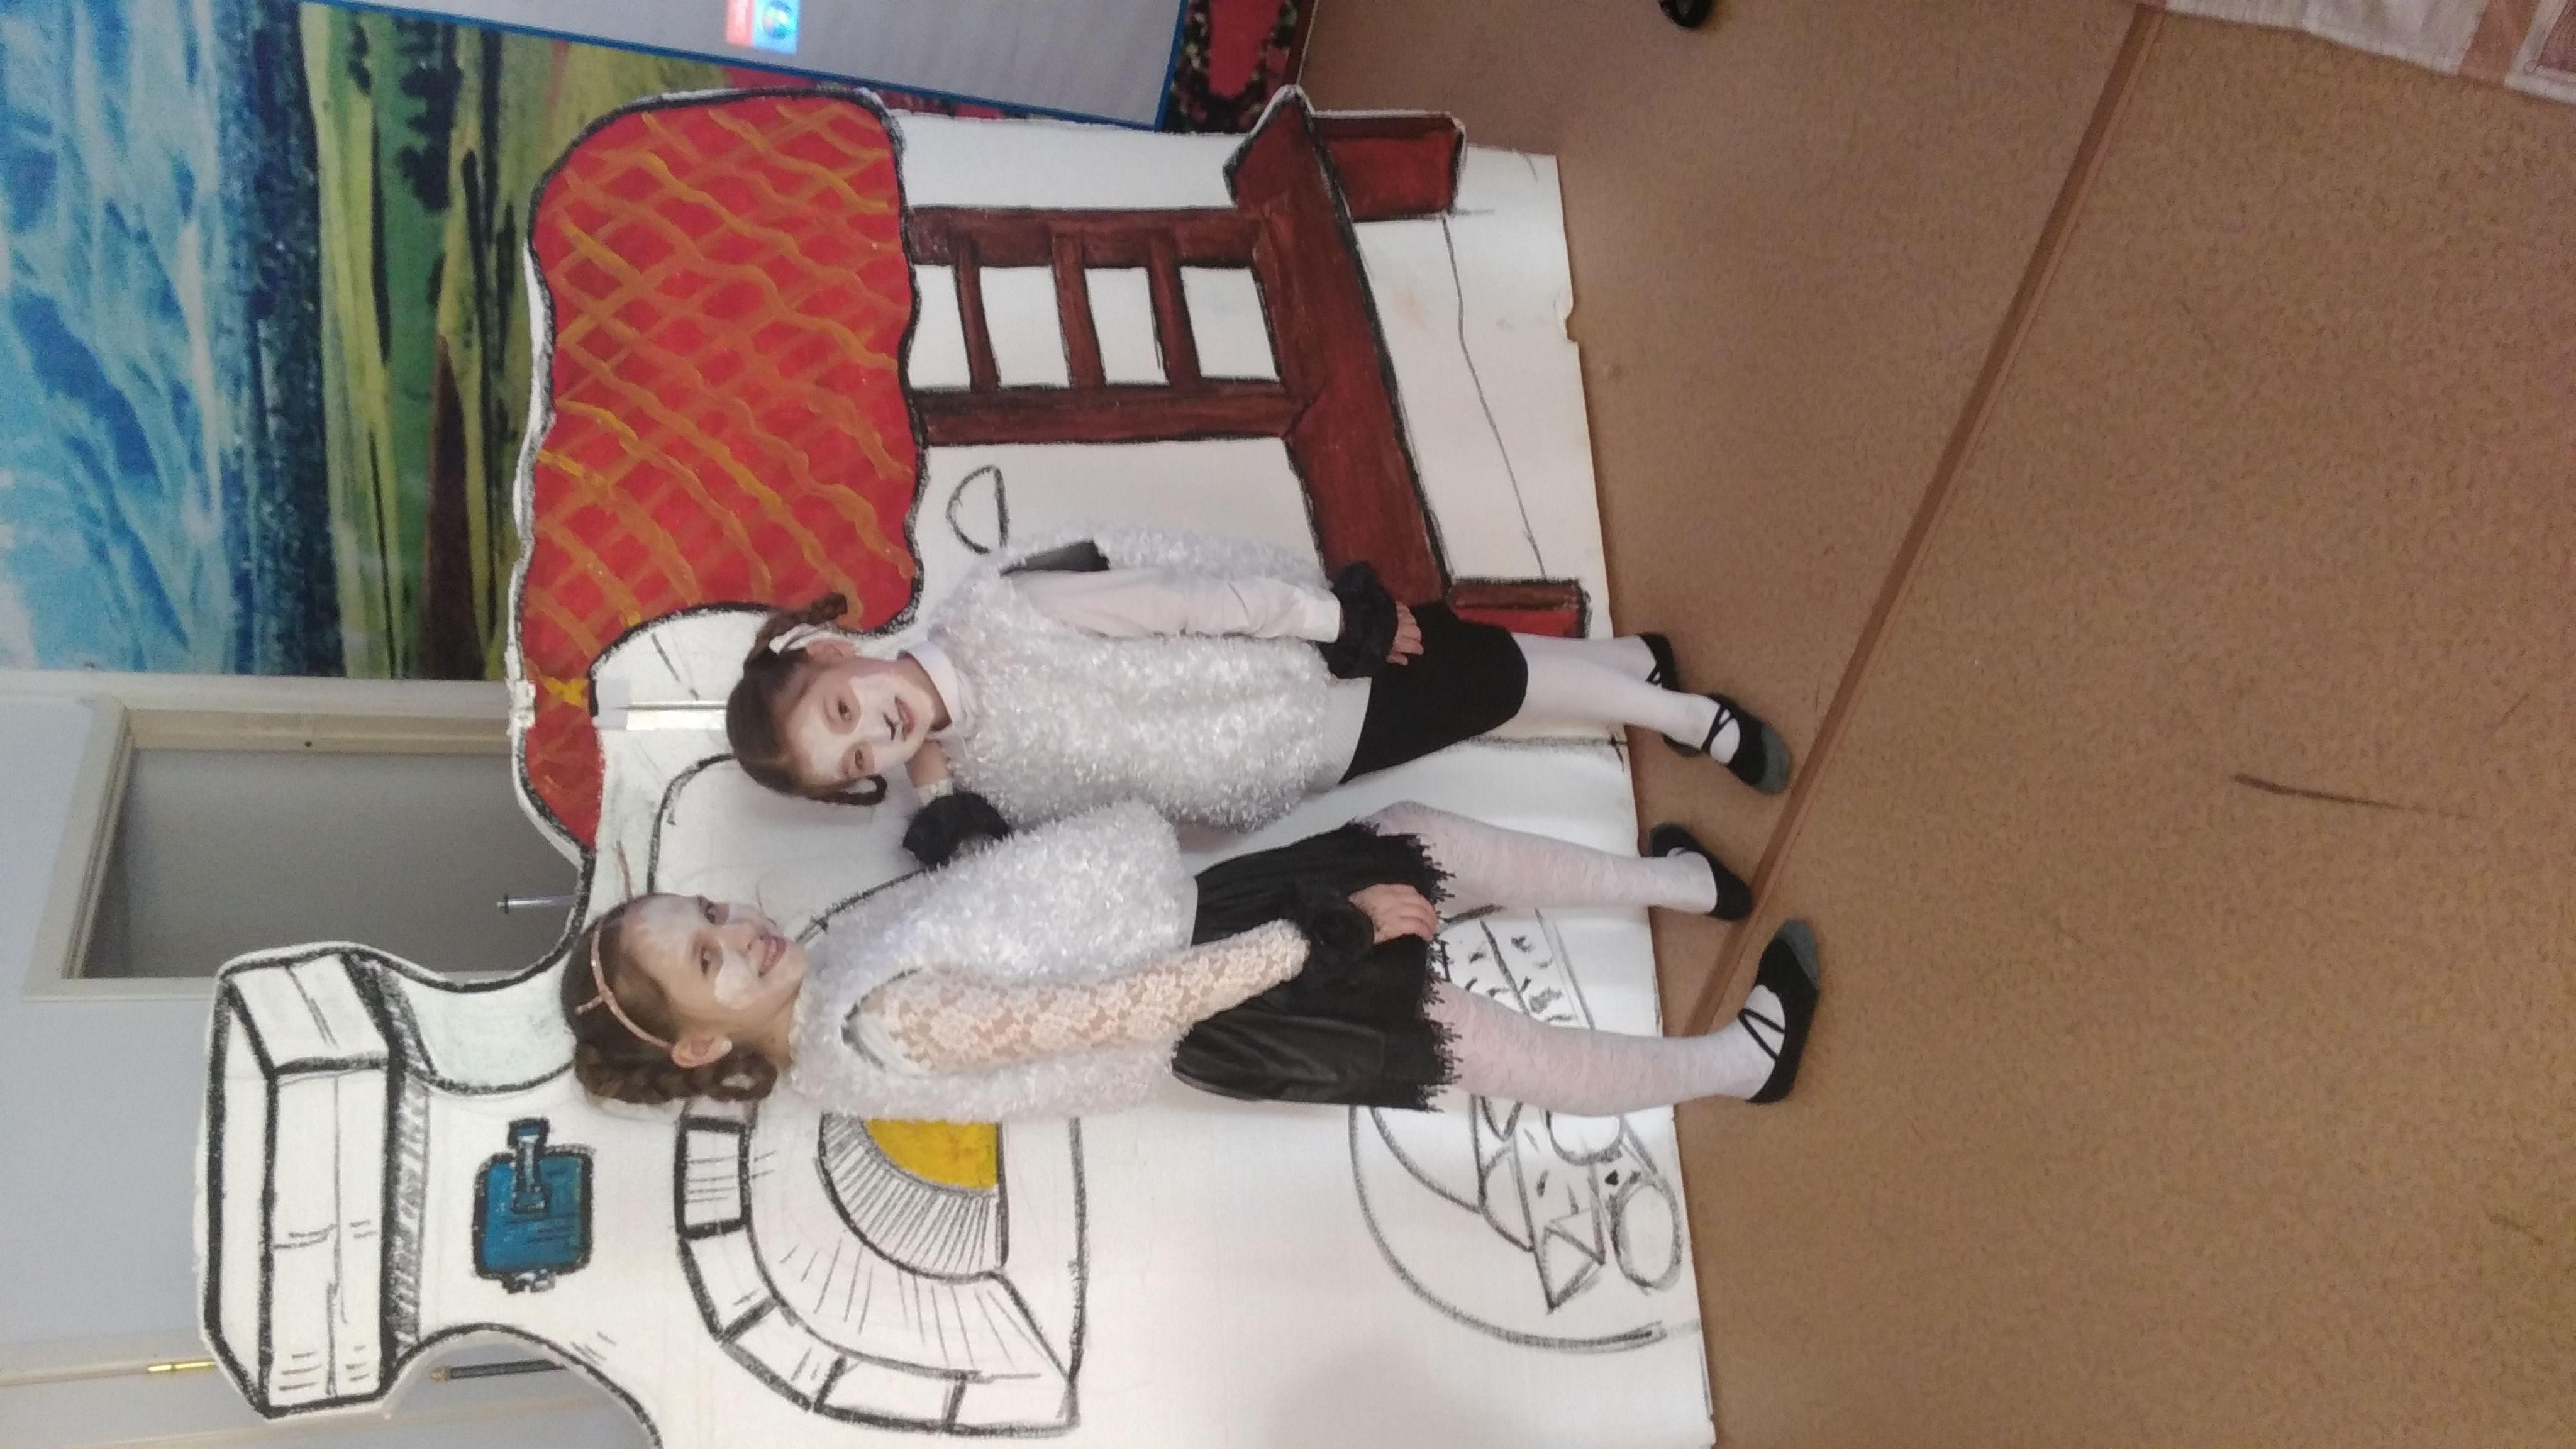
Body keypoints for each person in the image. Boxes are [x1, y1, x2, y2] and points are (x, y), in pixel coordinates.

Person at [723, 529, 1788, 917]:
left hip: (1305, 676)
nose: (878, 731)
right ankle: (1635, 668)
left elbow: (1183, 602)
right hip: (1290, 758)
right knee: (1480, 684)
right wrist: (934, 787)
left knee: (1492, 679)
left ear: (836, 652)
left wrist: (1333, 623)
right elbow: (953, 790)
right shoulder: (957, 763)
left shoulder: (1004, 617)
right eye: (856, 757)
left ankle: (1690, 717)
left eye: (846, 707)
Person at [560, 800, 1821, 1123]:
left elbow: (997, 942)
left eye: (711, 909)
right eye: (711, 958)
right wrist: (1325, 935)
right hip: (1224, 985)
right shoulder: (876, 1027)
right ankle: (1737, 1064)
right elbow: (1117, 1009)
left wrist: (970, 854)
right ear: (701, 1041)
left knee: (1426, 845)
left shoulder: (820, 991)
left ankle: (1680, 883)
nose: (742, 930)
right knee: (1474, 1039)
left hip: (1199, 925)